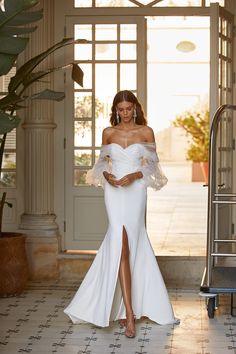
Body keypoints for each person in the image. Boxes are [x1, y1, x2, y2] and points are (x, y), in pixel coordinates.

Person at [64, 90, 179, 338]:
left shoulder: (145, 132)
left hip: (135, 190)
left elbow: (151, 166)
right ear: (116, 110)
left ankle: (136, 307)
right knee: (120, 244)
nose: (125, 113)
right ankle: (129, 314)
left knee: (132, 242)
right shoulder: (108, 133)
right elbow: (103, 162)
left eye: (129, 109)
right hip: (114, 192)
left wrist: (133, 176)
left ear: (135, 108)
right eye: (121, 109)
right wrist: (107, 175)